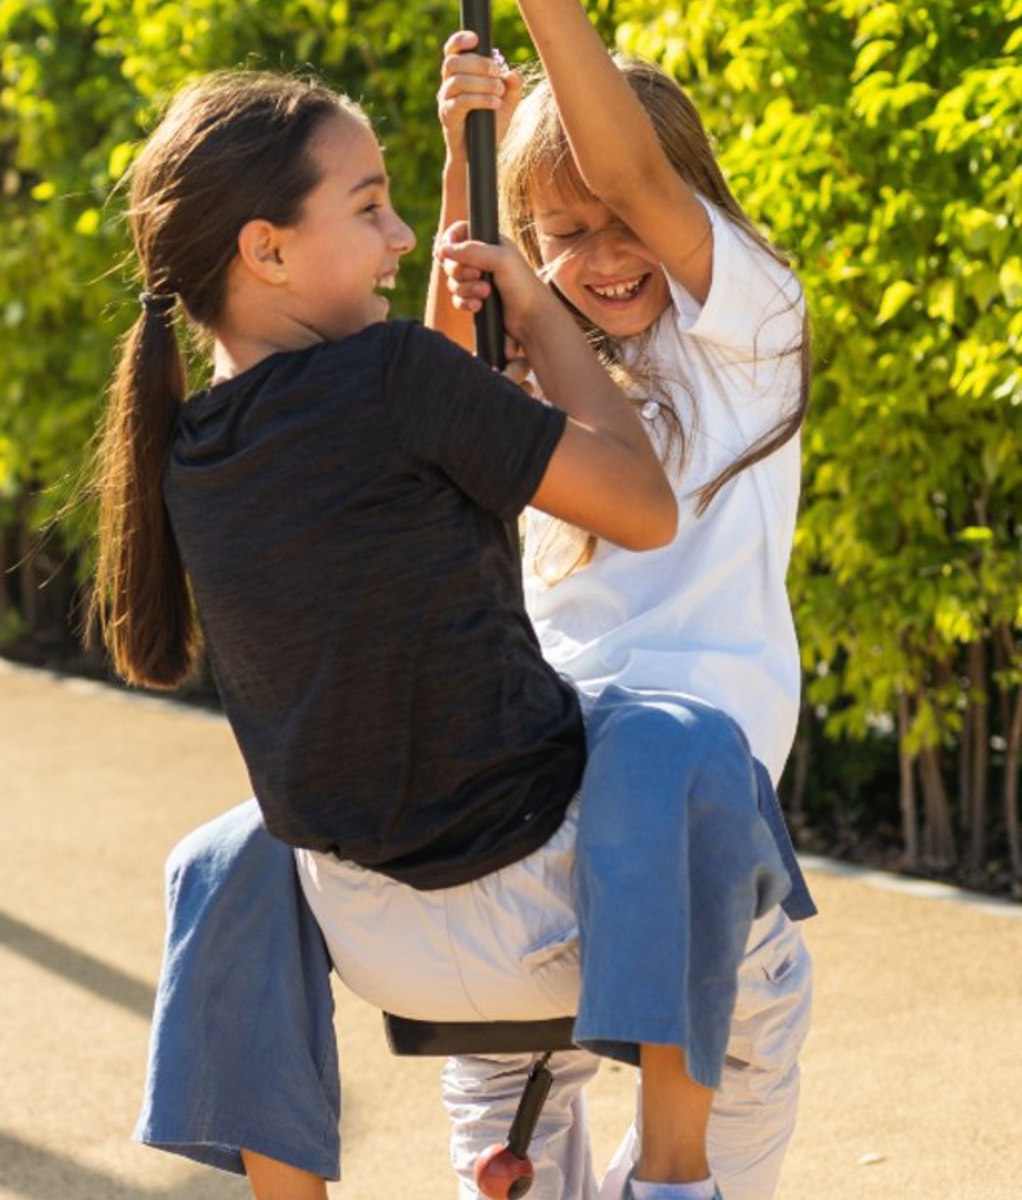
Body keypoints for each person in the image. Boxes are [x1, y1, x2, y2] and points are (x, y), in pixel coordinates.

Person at [101, 70, 806, 1200]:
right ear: (267, 251)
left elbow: (425, 442)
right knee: (685, 751)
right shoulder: (394, 376)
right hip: (542, 876)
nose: (398, 240)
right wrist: (534, 320)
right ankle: (674, 1179)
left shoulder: (188, 450)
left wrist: (454, 172)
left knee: (228, 853)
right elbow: (636, 498)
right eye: (368, 208)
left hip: (373, 928)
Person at [423, 1, 816, 1194]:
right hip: (578, 788)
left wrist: (545, 18)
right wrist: (459, 162)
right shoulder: (541, 371)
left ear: (684, 198)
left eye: (621, 221)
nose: (601, 254)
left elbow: (628, 172)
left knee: (692, 1054)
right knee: (536, 1072)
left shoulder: (748, 330)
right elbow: (430, 380)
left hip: (680, 797)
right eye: (561, 233)